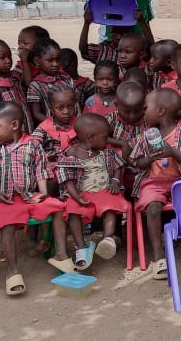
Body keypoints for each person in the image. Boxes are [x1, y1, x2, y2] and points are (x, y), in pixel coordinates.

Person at [0, 102, 68, 294]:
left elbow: (41, 170)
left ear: (14, 125)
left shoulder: (33, 144)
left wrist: (43, 192)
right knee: (7, 225)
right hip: (3, 200)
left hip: (29, 196)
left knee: (57, 208)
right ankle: (13, 272)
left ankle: (61, 255)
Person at [128, 89, 181, 280]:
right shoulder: (146, 136)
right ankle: (158, 254)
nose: (143, 113)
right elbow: (136, 163)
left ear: (161, 111)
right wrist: (148, 159)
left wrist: (173, 153)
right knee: (153, 207)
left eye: (146, 108)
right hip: (154, 182)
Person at [55, 114, 131, 270]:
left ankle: (107, 239)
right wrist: (76, 196)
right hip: (81, 193)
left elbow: (118, 166)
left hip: (104, 190)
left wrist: (115, 181)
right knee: (72, 210)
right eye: (105, 137)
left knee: (111, 205)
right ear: (90, 137)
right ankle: (81, 247)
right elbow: (67, 178)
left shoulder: (107, 152)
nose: (108, 140)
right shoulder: (71, 153)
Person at [25, 37, 75, 126]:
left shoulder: (66, 78)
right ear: (37, 61)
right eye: (50, 60)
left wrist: (78, 121)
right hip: (50, 127)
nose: (55, 64)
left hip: (73, 125)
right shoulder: (36, 85)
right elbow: (36, 113)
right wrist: (53, 125)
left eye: (58, 60)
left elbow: (76, 103)